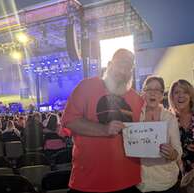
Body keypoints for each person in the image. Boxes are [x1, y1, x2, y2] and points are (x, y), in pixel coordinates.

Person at [61, 49, 144, 193]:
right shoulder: (86, 86)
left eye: (128, 67)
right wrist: (104, 130)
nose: (123, 71)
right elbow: (70, 121)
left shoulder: (137, 99)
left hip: (128, 180)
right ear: (110, 64)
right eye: (120, 65)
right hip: (89, 181)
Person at [137, 76, 182, 193]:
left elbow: (178, 150)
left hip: (166, 182)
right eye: (149, 89)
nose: (153, 93)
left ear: (162, 95)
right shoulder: (136, 117)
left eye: (157, 90)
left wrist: (173, 154)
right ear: (143, 93)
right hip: (140, 183)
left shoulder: (169, 118)